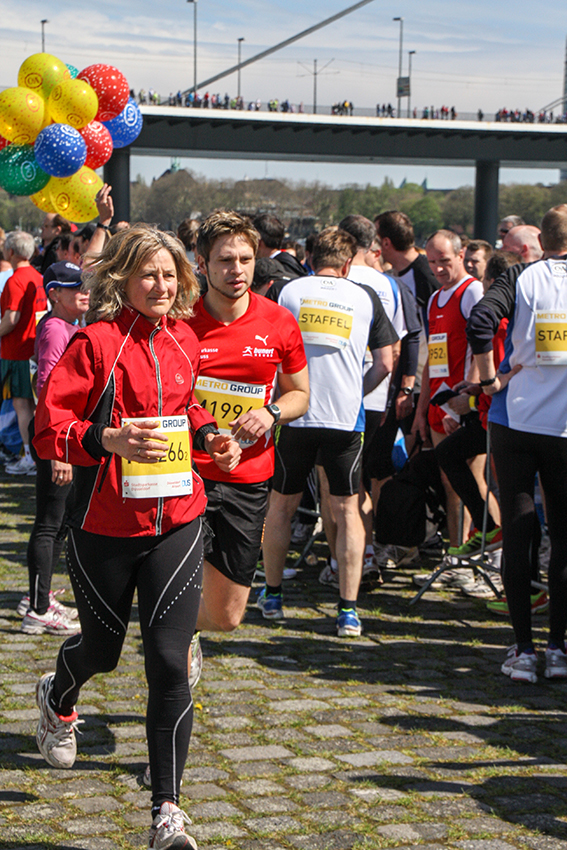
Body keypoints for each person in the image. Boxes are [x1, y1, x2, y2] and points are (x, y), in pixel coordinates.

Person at [32, 225, 241, 849]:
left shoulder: (184, 337)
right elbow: (50, 429)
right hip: (105, 526)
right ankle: (58, 691)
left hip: (178, 519)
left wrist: (208, 438)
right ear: (122, 278)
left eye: (171, 274)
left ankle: (167, 814)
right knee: (102, 653)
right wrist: (107, 440)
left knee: (171, 662)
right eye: (149, 274)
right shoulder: (95, 343)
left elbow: (190, 408)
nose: (162, 285)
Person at [260, 227, 398, 636]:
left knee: (281, 506)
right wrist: (358, 391)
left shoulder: (287, 292)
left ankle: (272, 595)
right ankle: (348, 610)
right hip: (343, 418)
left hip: (292, 414)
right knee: (346, 510)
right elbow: (386, 363)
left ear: (309, 258)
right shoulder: (364, 295)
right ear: (348, 263)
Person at [189, 211, 308, 635]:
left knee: (227, 616)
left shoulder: (278, 321)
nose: (236, 270)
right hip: (186, 474)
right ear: (202, 264)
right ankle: (173, 652)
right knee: (176, 585)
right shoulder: (180, 321)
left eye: (245, 258)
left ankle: (185, 631)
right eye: (224, 260)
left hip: (249, 477)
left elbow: (299, 394)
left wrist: (270, 412)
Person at [467, 205, 567, 683]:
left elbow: (481, 321)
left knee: (520, 533)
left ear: (541, 240)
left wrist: (489, 381)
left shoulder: (521, 277)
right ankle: (560, 647)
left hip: (519, 420)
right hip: (564, 428)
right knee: (563, 539)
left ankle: (524, 648)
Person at [19, 262, 89, 636]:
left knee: (60, 519)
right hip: (54, 436)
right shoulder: (54, 330)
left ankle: (38, 592)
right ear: (54, 294)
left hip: (63, 434)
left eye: (84, 284)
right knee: (49, 522)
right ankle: (38, 608)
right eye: (74, 286)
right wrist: (59, 450)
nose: (83, 290)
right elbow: (47, 387)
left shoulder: (69, 326)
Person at [413, 230, 484, 552]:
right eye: (432, 262)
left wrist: (462, 403)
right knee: (450, 482)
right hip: (440, 403)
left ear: (461, 255)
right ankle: (457, 553)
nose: (438, 269)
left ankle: (489, 549)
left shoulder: (472, 291)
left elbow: (481, 350)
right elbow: (432, 356)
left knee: (474, 482)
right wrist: (421, 410)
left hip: (464, 403)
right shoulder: (434, 298)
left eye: (444, 261)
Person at [1, 231, 47, 475]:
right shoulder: (39, 277)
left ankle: (29, 457)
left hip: (17, 351)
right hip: (35, 350)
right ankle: (35, 456)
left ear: (10, 252)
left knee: (22, 407)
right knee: (33, 407)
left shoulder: (15, 280)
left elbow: (11, 318)